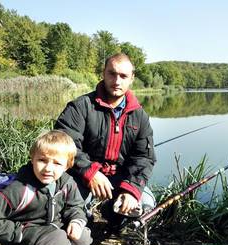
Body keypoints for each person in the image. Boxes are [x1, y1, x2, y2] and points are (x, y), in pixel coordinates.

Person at [54, 53, 156, 232]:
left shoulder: (140, 116)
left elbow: (143, 158)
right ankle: (78, 223)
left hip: (120, 178)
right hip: (82, 177)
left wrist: (131, 189)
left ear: (131, 78)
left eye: (123, 76)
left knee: (146, 204)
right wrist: (91, 172)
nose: (117, 81)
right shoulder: (80, 106)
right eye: (112, 74)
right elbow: (64, 143)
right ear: (103, 73)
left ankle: (112, 212)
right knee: (68, 208)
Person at [0, 130, 93, 245]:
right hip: (23, 240)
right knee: (59, 240)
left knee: (82, 236)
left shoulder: (67, 183)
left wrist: (76, 221)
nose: (48, 168)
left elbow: (75, 206)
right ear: (32, 158)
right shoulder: (20, 189)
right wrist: (17, 233)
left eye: (57, 163)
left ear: (67, 165)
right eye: (42, 160)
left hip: (51, 234)